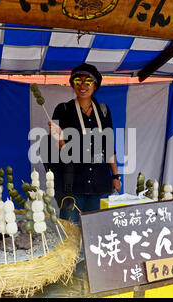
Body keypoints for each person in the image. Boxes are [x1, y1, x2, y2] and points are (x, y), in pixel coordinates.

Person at [48, 63, 121, 225]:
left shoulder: (103, 110)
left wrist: (115, 175)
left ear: (95, 86)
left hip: (100, 183)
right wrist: (57, 137)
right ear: (72, 84)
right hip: (71, 185)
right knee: (70, 233)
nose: (82, 86)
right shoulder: (64, 109)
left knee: (98, 232)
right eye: (77, 81)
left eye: (88, 82)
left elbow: (109, 144)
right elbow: (60, 148)